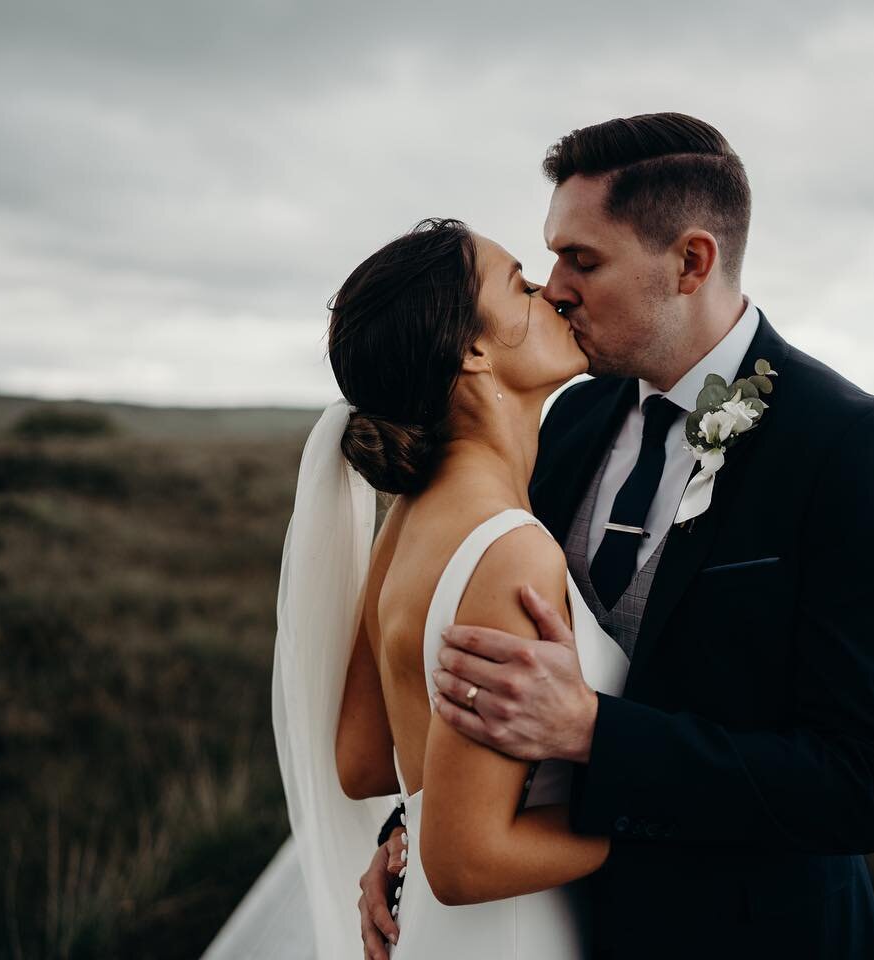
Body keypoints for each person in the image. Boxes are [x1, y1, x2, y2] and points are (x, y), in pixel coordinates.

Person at [357, 113, 874, 959]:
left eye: (583, 260)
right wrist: (409, 831)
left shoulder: (851, 445)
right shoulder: (571, 416)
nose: (554, 288)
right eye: (551, 257)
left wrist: (594, 731)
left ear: (691, 262)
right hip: (563, 926)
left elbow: (861, 786)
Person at [201, 216, 633, 960]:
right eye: (520, 286)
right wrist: (657, 825)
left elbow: (365, 762)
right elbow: (469, 861)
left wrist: (427, 807)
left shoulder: (406, 522)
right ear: (470, 350)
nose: (550, 295)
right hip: (513, 935)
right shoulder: (509, 552)